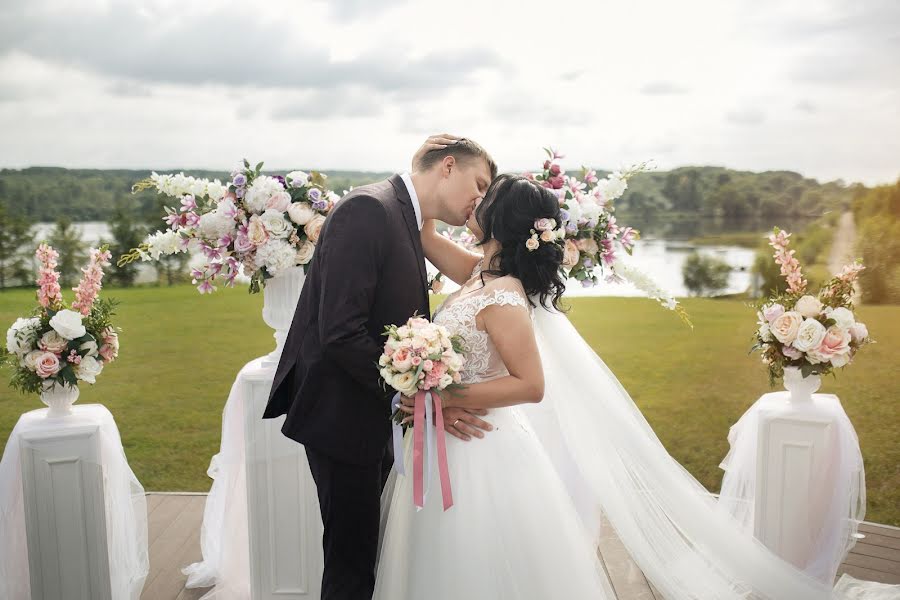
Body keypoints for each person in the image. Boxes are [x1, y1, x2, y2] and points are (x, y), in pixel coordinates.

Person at [375, 137, 838, 599]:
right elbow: (425, 234)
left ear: (502, 219)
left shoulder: (505, 293)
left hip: (480, 445)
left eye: (485, 197)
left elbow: (531, 385)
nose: (476, 200)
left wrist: (442, 395)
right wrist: (427, 167)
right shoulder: (480, 274)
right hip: (448, 441)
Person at [263, 138, 496, 599]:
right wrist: (413, 393)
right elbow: (340, 330)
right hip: (342, 419)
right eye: (479, 184)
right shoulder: (369, 209)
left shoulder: (403, 214)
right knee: (352, 567)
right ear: (448, 166)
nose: (480, 200)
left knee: (367, 558)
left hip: (370, 419)